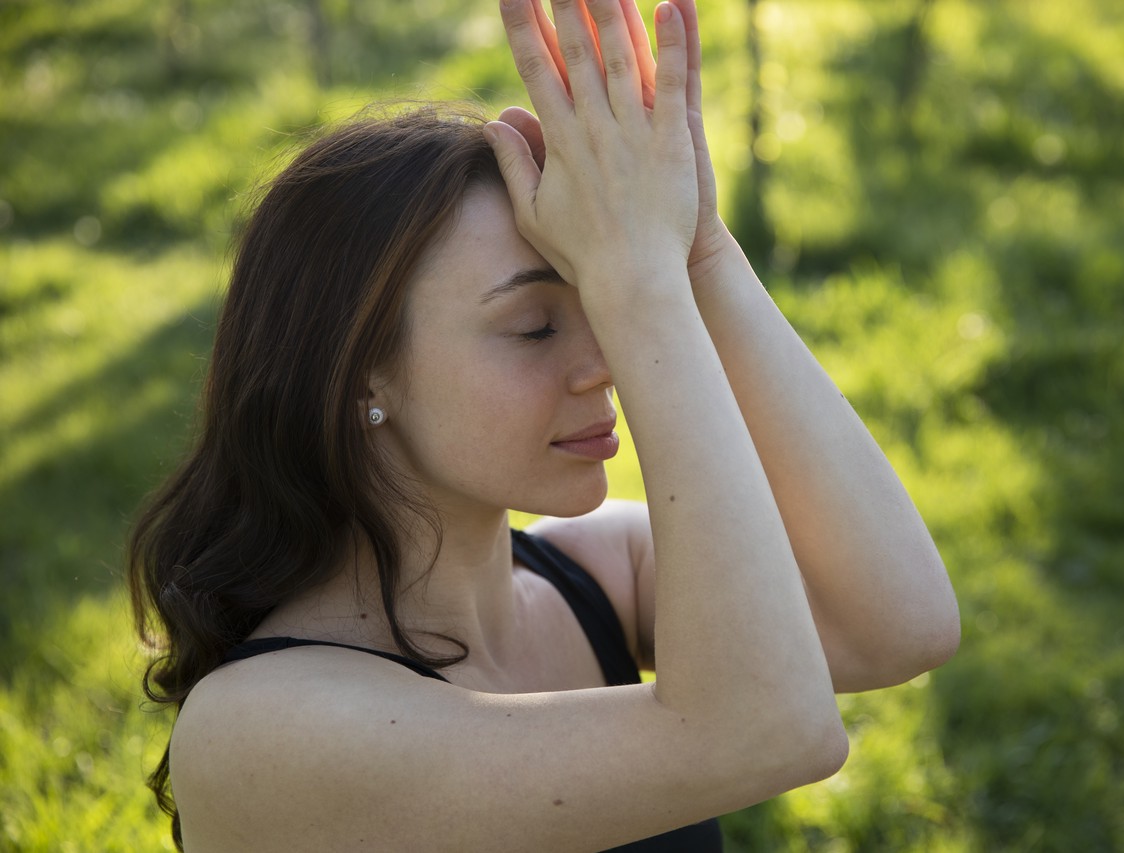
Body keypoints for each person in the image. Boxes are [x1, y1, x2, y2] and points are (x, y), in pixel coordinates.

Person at [127, 0, 960, 849]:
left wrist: (698, 245)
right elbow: (771, 731)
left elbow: (901, 623)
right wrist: (640, 283)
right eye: (534, 326)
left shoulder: (595, 573)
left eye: (594, 303)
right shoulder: (259, 728)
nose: (606, 362)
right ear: (352, 378)